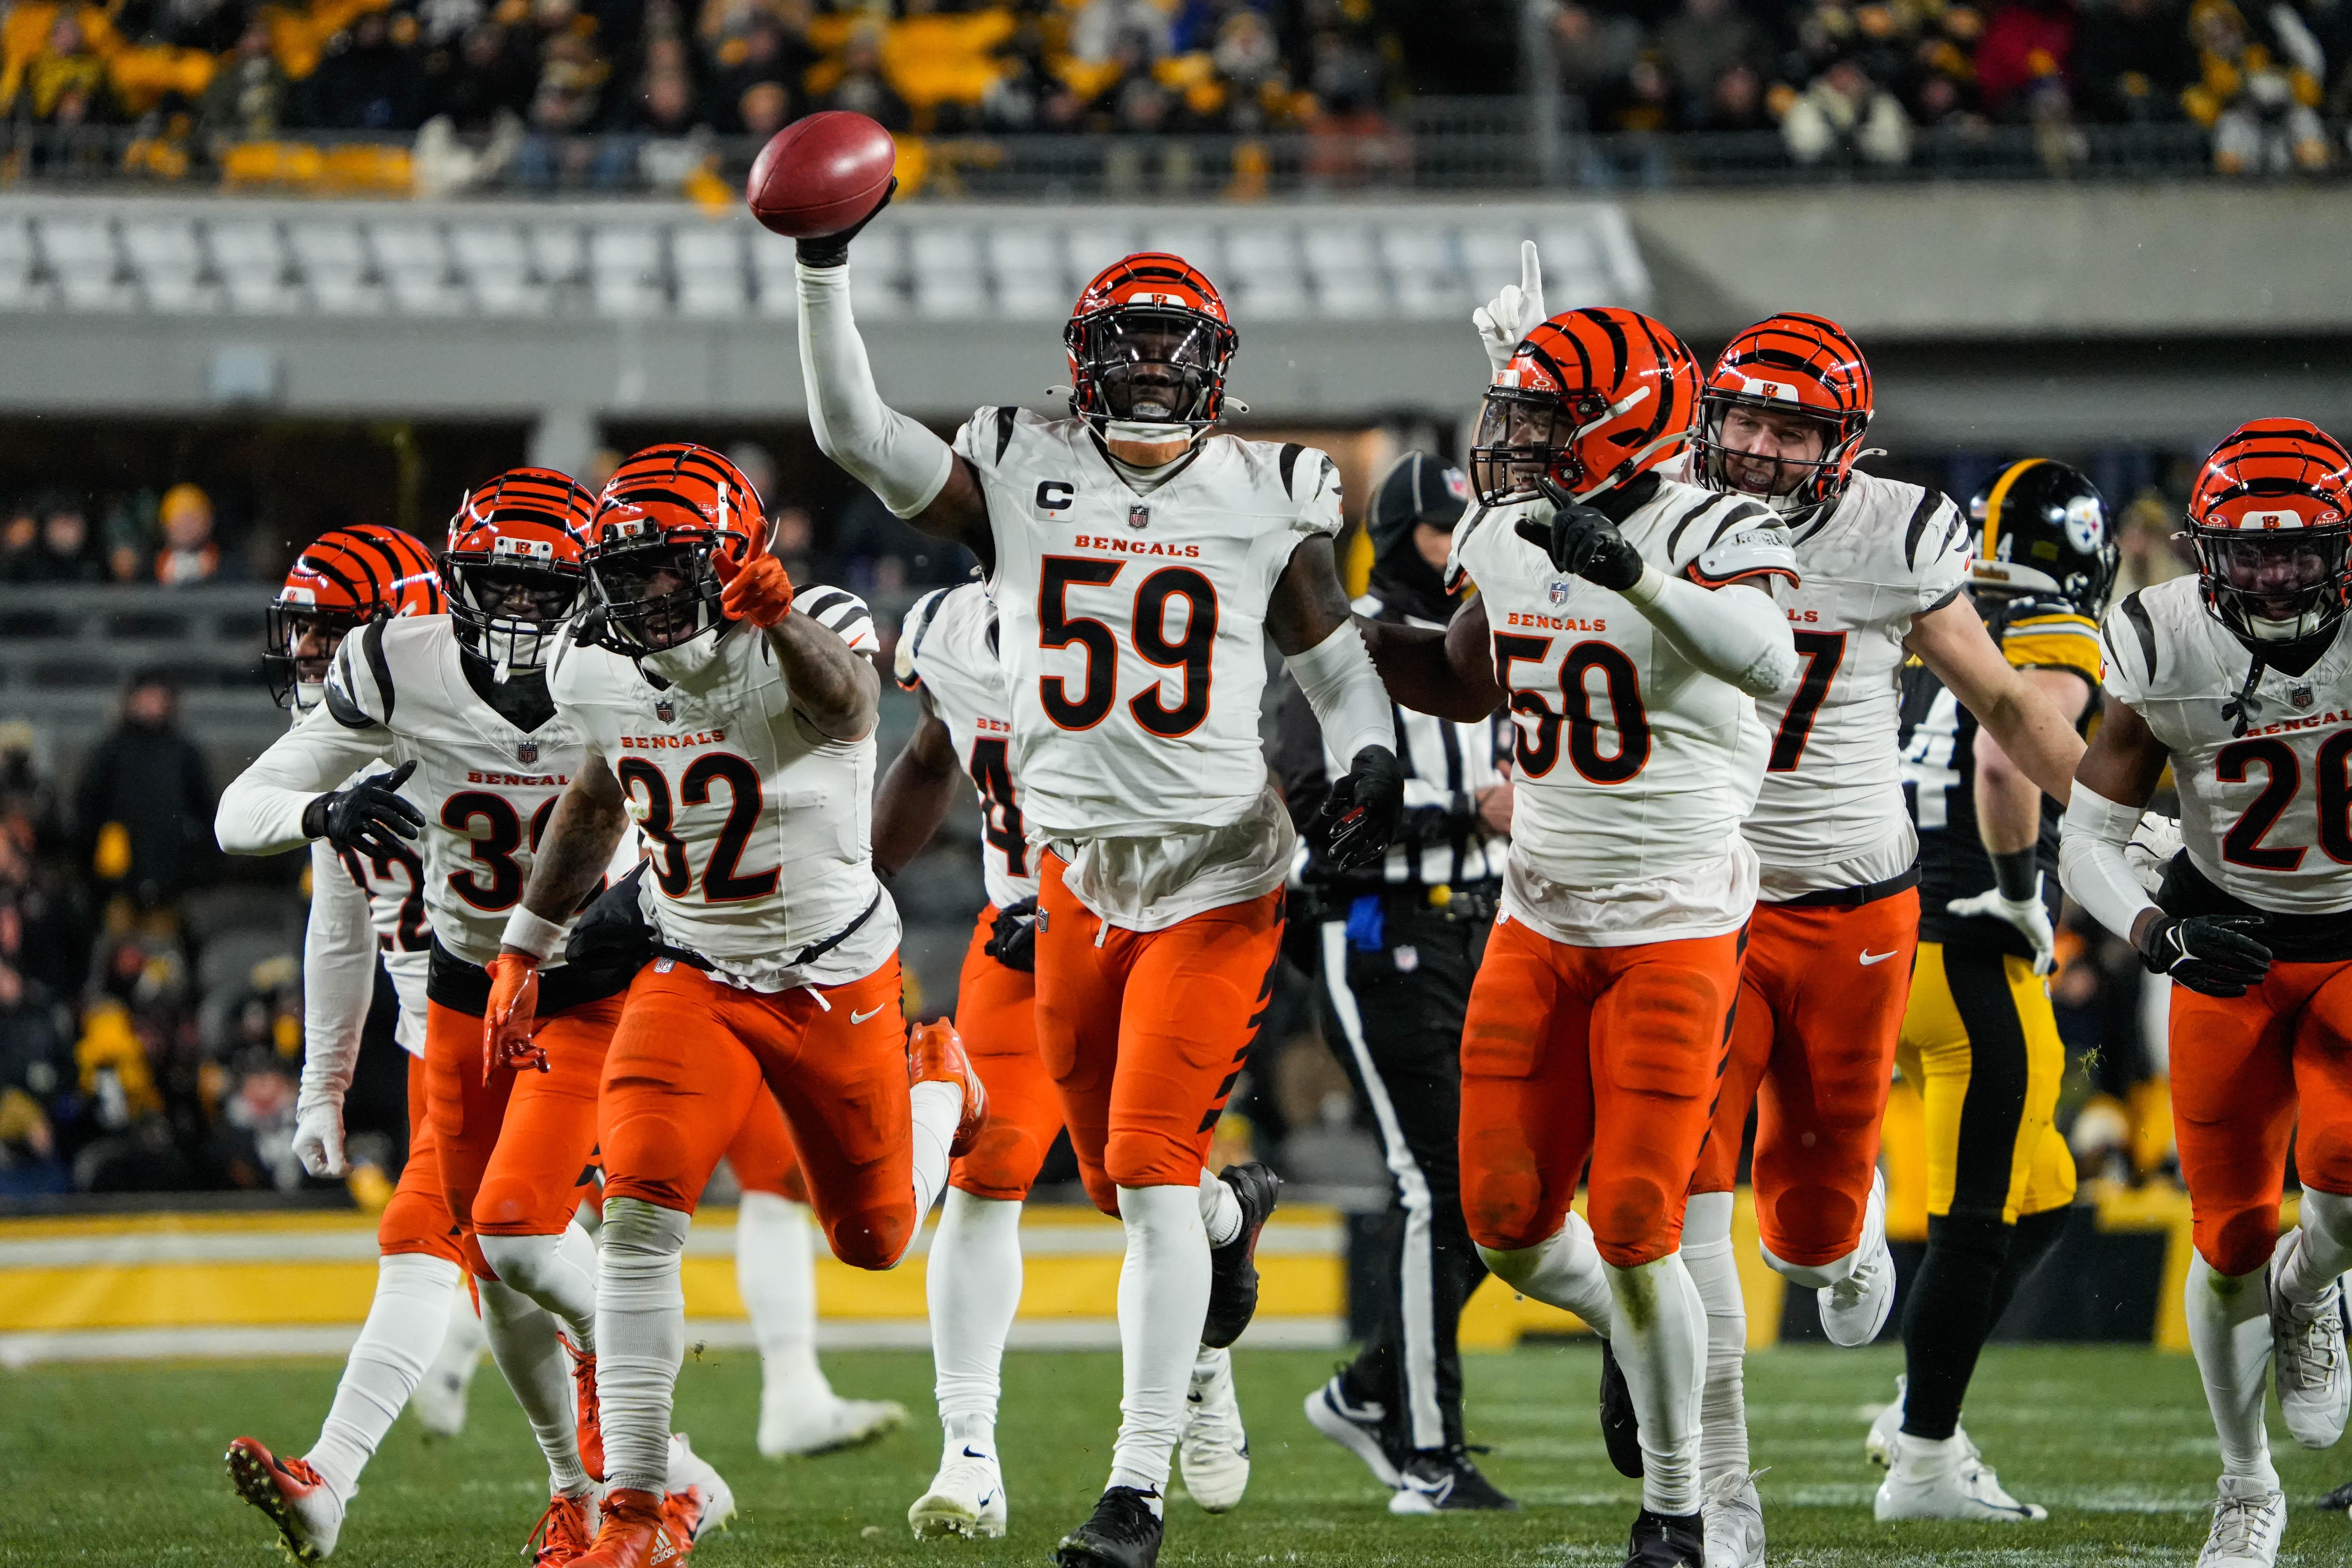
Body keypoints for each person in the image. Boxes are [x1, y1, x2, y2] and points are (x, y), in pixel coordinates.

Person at [796, 197, 1401, 1567]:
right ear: (1081, 360)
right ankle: (1232, 1222)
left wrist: (1364, 770)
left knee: (1138, 1162)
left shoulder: (1267, 490)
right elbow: (851, 430)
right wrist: (820, 266)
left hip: (1216, 877)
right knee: (1127, 1190)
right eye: (1122, 346)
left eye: (1168, 348)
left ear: (1215, 367)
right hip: (1070, 890)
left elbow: (1339, 669)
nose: (1144, 368)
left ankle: (1132, 1491)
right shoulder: (1013, 463)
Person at [214, 474, 731, 1562]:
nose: (516, 620)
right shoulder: (394, 663)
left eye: (543, 595)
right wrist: (322, 806)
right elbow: (240, 810)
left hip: (582, 980)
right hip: (458, 993)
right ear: (451, 585)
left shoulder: (635, 663)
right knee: (493, 1269)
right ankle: (578, 1486)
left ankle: (654, 1470)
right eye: (496, 589)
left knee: (511, 1231)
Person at [485, 444, 983, 1568]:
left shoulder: (813, 621)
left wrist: (778, 625)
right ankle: (638, 1507)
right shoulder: (593, 663)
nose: (647, 592)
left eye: (673, 566)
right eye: (628, 570)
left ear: (733, 560)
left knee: (876, 1242)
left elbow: (848, 708)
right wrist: (527, 940)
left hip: (832, 975)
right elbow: (601, 795)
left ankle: (939, 1088)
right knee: (640, 1220)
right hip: (691, 967)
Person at [1367, 302, 1798, 1568]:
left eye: (1546, 417)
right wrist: (1334, 640)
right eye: (1517, 412)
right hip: (1538, 908)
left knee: (1637, 1218)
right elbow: (1464, 670)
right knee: (1503, 1220)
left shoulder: (1722, 524)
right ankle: (1632, 1328)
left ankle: (1674, 1502)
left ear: (1620, 427)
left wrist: (1633, 571)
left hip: (1675, 919)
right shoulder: (1506, 529)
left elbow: (1769, 661)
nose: (1511, 441)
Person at [1671, 312, 2096, 1557]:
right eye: (1741, 417)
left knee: (1810, 1249)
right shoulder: (1662, 509)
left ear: (1841, 447)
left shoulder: (1896, 532)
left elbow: (2007, 706)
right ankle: (1714, 1501)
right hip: (1705, 903)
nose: (1755, 447)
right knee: (1676, 1203)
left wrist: (2138, 826)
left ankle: (1835, 1228)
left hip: (1861, 917)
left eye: (1789, 428)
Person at [876, 579, 1256, 1538]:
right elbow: (933, 756)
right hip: (1016, 931)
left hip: (1150, 924)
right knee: (984, 1170)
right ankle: (969, 1451)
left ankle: (1204, 1339)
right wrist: (865, 879)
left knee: (1132, 1186)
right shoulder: (949, 630)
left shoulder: (1150, 605)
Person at [2060, 417, 2352, 1568]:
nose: (2275, 575)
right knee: (2226, 1231)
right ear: (2199, 551)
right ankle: (2245, 1485)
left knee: (2339, 1189)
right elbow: (2085, 836)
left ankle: (2310, 1292)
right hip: (2223, 940)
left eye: (2299, 551)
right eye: (2247, 553)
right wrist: (2153, 930)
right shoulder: (2160, 639)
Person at [216, 526, 495, 1553]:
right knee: (504, 1276)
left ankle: (652, 1480)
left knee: (513, 1267)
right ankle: (641, 1479)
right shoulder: (341, 752)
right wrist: (320, 1088)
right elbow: (337, 922)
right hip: (443, 1046)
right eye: (300, 633)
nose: (304, 657)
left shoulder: (490, 719)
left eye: (328, 634)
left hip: (557, 1028)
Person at [1869, 460, 2117, 1524]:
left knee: (2047, 1186)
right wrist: (2024, 894)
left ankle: (1912, 1406)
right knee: (1973, 1222)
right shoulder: (2049, 633)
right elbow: (2005, 766)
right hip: (1974, 946)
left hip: (1877, 941)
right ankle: (1922, 1460)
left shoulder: (1928, 621)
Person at [1276, 451, 1515, 1514]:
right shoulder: (1347, 640)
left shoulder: (1489, 637)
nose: (1457, 554)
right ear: (1406, 532)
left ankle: (1372, 1390)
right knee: (1434, 1188)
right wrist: (1464, 814)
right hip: (1376, 929)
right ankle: (1427, 1452)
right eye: (1439, 534)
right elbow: (1315, 804)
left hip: (1478, 928)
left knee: (1503, 1196)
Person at [75, 669, 216, 911]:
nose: (152, 705)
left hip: (173, 876)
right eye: (146, 698)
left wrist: (194, 856)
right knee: (118, 940)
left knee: (167, 943)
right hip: (116, 876)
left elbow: (205, 809)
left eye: (158, 698)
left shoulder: (184, 752)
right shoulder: (112, 750)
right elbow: (88, 805)